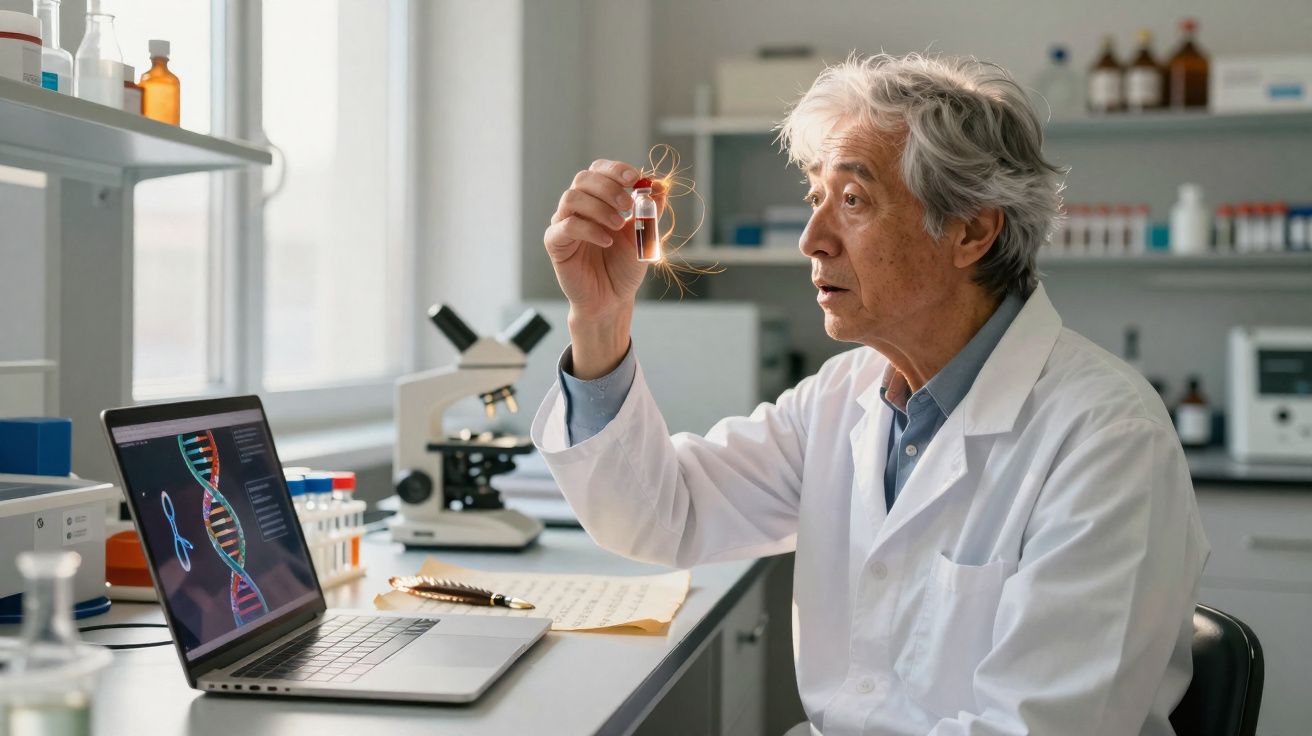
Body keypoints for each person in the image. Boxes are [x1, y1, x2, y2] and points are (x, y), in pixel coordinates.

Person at [535, 53, 1207, 736]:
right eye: (815, 199)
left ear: (972, 231)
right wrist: (600, 317)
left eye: (852, 201)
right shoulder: (844, 396)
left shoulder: (1106, 441)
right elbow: (662, 515)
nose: (811, 240)